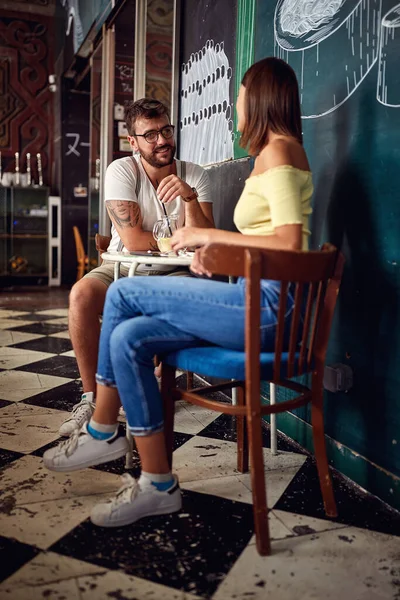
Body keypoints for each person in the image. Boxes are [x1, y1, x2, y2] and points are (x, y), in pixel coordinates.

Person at [44, 57, 313, 527]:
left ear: (261, 98)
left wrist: (208, 237)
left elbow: (290, 245)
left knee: (124, 300)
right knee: (130, 337)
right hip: (254, 299)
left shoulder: (281, 152)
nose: (235, 103)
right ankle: (158, 483)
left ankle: (103, 428)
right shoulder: (273, 153)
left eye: (242, 93)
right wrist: (217, 247)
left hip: (269, 309)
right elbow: (272, 240)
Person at [59, 98, 214, 437]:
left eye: (166, 131)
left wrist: (189, 199)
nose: (162, 141)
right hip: (122, 267)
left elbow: (204, 239)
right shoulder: (122, 170)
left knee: (178, 298)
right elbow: (131, 240)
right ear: (133, 141)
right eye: (151, 135)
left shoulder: (195, 175)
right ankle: (91, 397)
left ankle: (150, 380)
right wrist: (179, 236)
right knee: (81, 294)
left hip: (176, 272)